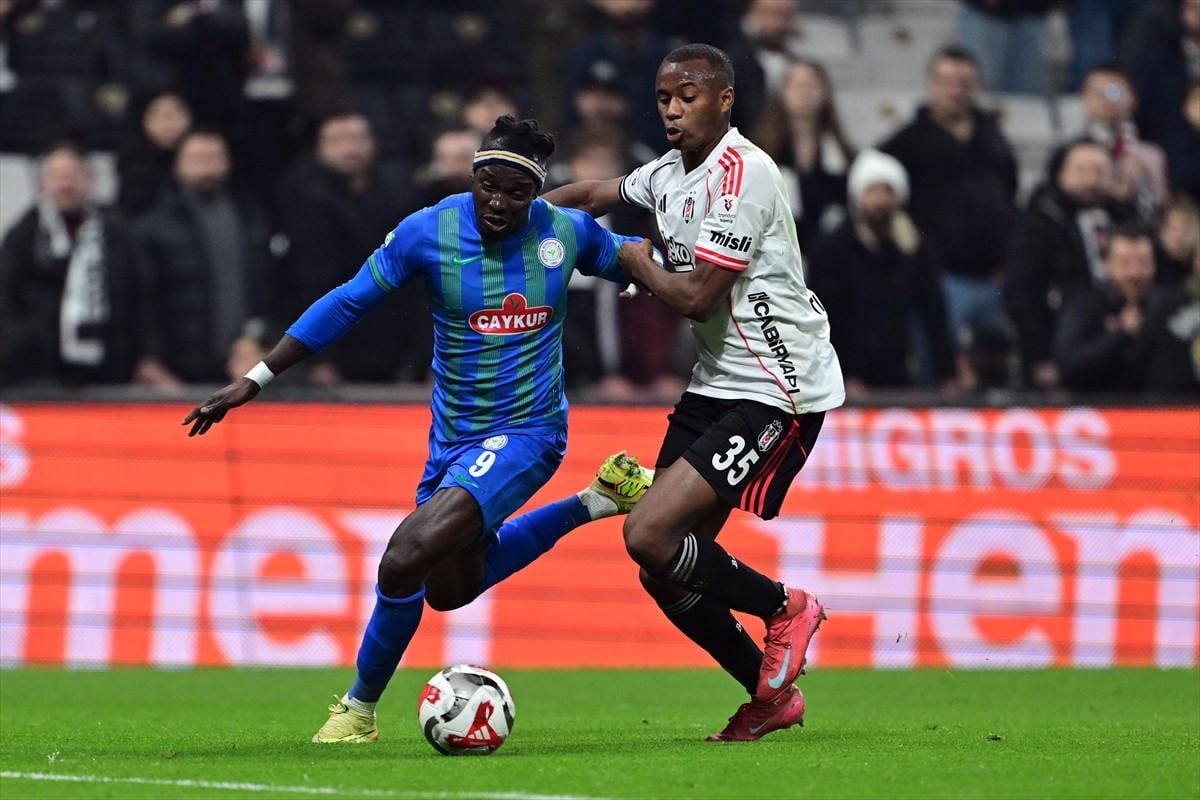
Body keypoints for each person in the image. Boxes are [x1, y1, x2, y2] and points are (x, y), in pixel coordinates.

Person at [181, 115, 655, 744]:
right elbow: (349, 300)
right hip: (453, 438)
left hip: (530, 432)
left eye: (517, 193)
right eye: (489, 186)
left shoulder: (564, 232)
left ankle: (357, 711)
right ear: (473, 178)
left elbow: (637, 259)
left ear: (535, 193)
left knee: (404, 556)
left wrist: (649, 276)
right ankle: (598, 499)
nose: (499, 203)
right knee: (449, 589)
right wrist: (258, 377)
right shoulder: (428, 231)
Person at [545, 43, 842, 742]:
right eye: (664, 99)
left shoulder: (745, 174)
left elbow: (697, 298)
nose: (673, 110)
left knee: (648, 531)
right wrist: (505, 214)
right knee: (664, 569)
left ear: (725, 99)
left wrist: (632, 258)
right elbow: (590, 196)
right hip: (716, 382)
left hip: (777, 386)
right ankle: (769, 697)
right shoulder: (667, 172)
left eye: (688, 96)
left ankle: (786, 606)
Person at [277, 110, 427, 384]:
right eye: (338, 140)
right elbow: (306, 283)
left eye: (358, 139)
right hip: (334, 343)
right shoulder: (303, 200)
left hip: (395, 339)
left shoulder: (401, 196)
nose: (350, 149)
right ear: (319, 149)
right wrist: (319, 358)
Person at [881, 45, 1018, 344]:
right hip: (940, 279)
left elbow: (1010, 194)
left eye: (964, 83)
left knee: (999, 358)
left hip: (996, 279)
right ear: (931, 84)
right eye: (946, 82)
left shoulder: (995, 139)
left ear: (977, 86)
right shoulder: (907, 142)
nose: (955, 91)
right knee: (938, 358)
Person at [806, 149, 957, 396]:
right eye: (873, 191)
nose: (880, 200)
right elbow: (825, 317)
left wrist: (946, 374)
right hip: (849, 370)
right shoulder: (834, 247)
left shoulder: (912, 246)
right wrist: (841, 374)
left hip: (898, 366)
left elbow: (933, 312)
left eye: (887, 191)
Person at [0, 143, 149, 386]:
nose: (65, 184)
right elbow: (6, 299)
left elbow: (141, 295)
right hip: (39, 371)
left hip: (111, 367)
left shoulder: (117, 233)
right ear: (42, 183)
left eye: (73, 175)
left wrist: (147, 355)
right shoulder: (23, 236)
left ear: (90, 180)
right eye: (57, 176)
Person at [135, 127, 273, 384]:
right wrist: (149, 357)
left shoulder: (250, 218)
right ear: (177, 165)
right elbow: (142, 299)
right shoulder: (154, 226)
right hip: (176, 370)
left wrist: (259, 337)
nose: (206, 167)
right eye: (197, 158)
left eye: (214, 157)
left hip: (243, 363)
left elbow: (266, 288)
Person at [1003, 139, 1128, 388]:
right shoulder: (1039, 223)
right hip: (1061, 344)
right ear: (1060, 174)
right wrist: (1040, 355)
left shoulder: (1126, 218)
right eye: (1081, 170)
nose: (1091, 180)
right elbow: (1023, 294)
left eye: (1099, 171)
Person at [752, 57, 854, 248]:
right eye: (797, 86)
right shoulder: (761, 148)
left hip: (826, 247)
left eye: (811, 85)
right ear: (782, 92)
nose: (804, 93)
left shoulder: (840, 150)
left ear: (825, 93)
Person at [1053, 222, 1165, 392]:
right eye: (1125, 263)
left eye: (1143, 262)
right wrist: (1121, 335)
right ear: (1108, 265)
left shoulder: (1165, 307)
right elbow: (1068, 365)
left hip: (1164, 405)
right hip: (1100, 402)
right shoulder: (1085, 306)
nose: (1135, 273)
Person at [1077, 64, 1168, 223]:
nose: (1106, 100)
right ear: (1084, 97)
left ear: (1132, 97)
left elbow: (1162, 206)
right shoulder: (1072, 152)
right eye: (1098, 93)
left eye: (1115, 93)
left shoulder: (1151, 154)